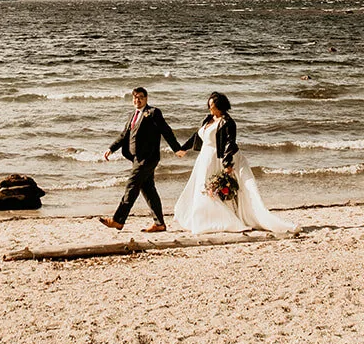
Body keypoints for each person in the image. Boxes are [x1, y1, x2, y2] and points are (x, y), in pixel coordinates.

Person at [172, 91, 296, 234]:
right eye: (209, 105)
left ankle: (216, 220)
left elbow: (230, 144)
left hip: (215, 158)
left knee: (209, 189)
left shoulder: (228, 122)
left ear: (220, 106)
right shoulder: (208, 119)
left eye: (212, 106)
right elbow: (198, 136)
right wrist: (183, 149)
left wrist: (227, 164)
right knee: (201, 188)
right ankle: (202, 219)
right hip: (203, 158)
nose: (209, 108)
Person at [100, 87, 185, 232]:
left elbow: (166, 130)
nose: (137, 100)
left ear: (146, 98)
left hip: (147, 158)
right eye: (134, 97)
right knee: (148, 190)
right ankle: (159, 224)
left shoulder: (153, 113)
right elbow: (124, 135)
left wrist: (177, 149)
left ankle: (118, 220)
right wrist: (111, 148)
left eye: (140, 97)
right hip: (136, 158)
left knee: (131, 186)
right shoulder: (132, 115)